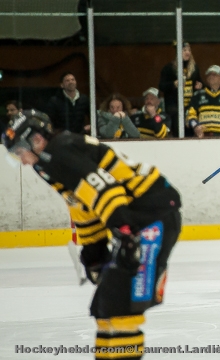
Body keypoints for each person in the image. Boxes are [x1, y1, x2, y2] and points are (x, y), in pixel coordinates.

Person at [2, 110, 181, 360]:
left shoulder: (59, 153)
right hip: (133, 220)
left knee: (122, 308)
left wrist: (126, 232)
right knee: (105, 306)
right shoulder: (48, 160)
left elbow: (104, 188)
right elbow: (82, 203)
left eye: (20, 152)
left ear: (37, 140)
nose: (21, 160)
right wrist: (93, 251)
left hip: (152, 217)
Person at [159, 41, 202, 137]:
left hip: (190, 109)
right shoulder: (169, 68)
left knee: (191, 134)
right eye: (184, 50)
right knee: (178, 134)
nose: (187, 53)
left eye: (189, 50)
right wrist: (173, 84)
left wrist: (200, 86)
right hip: (175, 110)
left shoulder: (194, 68)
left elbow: (200, 82)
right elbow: (161, 86)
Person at [186, 65, 220, 138]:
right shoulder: (197, 95)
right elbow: (189, 115)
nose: (211, 76)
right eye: (209, 74)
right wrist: (195, 126)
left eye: (214, 74)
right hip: (202, 137)